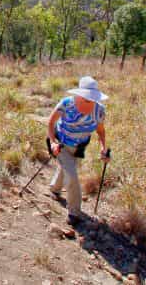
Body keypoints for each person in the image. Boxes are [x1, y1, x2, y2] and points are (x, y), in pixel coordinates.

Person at [47, 75, 110, 224]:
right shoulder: (66, 104)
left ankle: (54, 189)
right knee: (72, 176)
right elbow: (51, 122)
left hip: (79, 147)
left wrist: (103, 148)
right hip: (61, 144)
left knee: (66, 170)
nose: (90, 102)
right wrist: (52, 143)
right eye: (87, 98)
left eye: (93, 99)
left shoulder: (99, 111)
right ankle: (74, 212)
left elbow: (100, 131)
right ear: (79, 95)